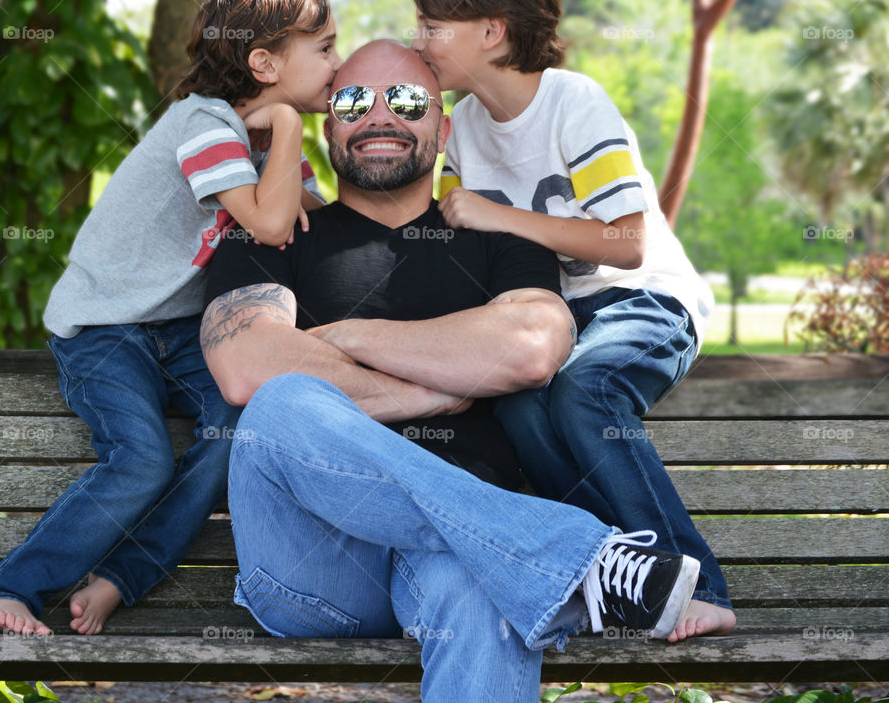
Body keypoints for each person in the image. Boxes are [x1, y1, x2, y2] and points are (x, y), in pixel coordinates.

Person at [201, 39, 700, 702]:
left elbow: (530, 346)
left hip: (455, 557)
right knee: (280, 404)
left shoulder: (498, 234)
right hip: (314, 564)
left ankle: (545, 559)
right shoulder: (270, 236)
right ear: (328, 126)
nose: (380, 117)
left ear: (442, 126)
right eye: (353, 101)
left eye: (407, 101)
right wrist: (433, 386)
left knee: (484, 585)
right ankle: (573, 559)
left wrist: (349, 339)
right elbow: (247, 365)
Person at [0, 0, 342, 637]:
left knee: (235, 430)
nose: (339, 64)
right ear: (265, 64)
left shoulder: (270, 145)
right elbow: (273, 223)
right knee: (141, 461)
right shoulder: (206, 122)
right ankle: (6, 589)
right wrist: (285, 122)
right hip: (106, 328)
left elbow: (319, 226)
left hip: (180, 329)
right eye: (327, 48)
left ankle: (121, 576)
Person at [409, 0, 736, 642]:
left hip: (643, 300)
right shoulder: (462, 128)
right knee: (524, 415)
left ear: (492, 31)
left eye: (433, 26)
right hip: (559, 318)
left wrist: (493, 213)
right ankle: (632, 580)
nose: (419, 40)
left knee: (585, 394)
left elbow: (628, 240)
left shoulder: (572, 101)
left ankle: (700, 585)